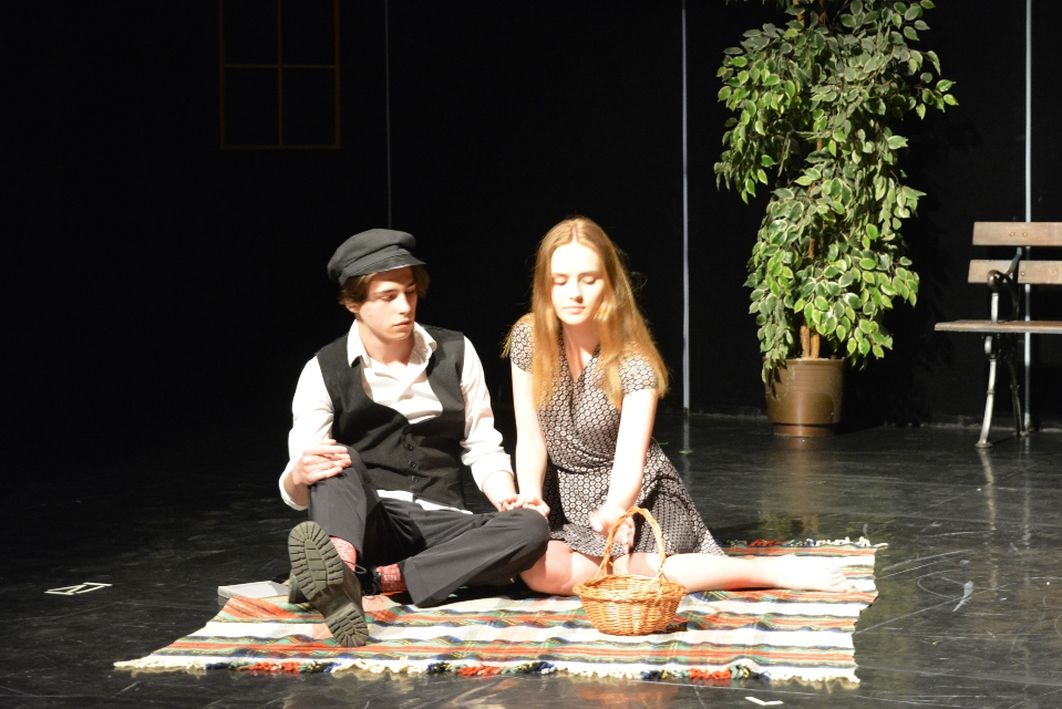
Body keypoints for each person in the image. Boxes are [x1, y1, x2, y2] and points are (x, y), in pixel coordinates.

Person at [503, 216, 851, 596]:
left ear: (610, 283)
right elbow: (531, 437)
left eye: (589, 280)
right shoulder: (529, 338)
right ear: (545, 285)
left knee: (625, 568)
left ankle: (766, 572)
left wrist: (616, 510)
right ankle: (618, 571)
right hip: (561, 494)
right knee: (537, 572)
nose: (574, 293)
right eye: (561, 281)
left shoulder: (633, 363)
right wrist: (532, 499)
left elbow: (630, 462)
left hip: (636, 496)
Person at [280, 228, 550, 647]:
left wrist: (506, 497)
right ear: (353, 303)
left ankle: (369, 582)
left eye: (410, 292)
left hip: (443, 524)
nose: (405, 307)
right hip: (369, 522)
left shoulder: (456, 351)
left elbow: (483, 444)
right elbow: (302, 482)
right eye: (388, 297)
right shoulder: (323, 370)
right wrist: (299, 473)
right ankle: (341, 569)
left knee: (530, 527)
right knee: (334, 458)